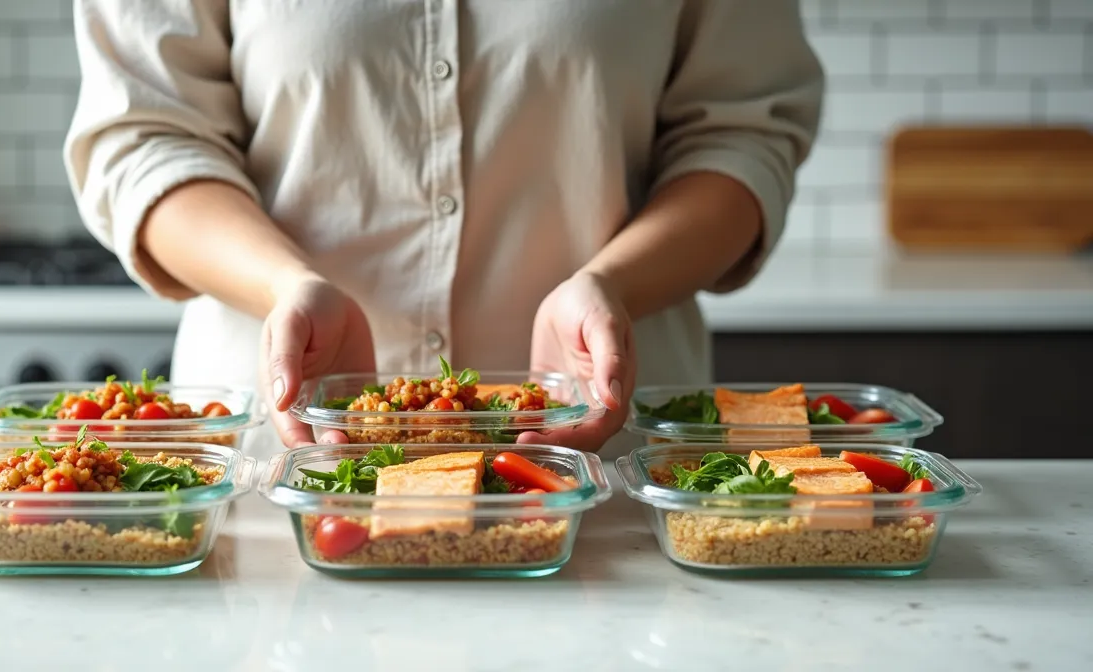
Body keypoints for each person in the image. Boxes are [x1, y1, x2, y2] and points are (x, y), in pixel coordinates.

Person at [64, 0, 824, 453]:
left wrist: (611, 282)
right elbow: (146, 139)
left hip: (603, 463)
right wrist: (284, 285)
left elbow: (742, 134)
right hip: (286, 458)